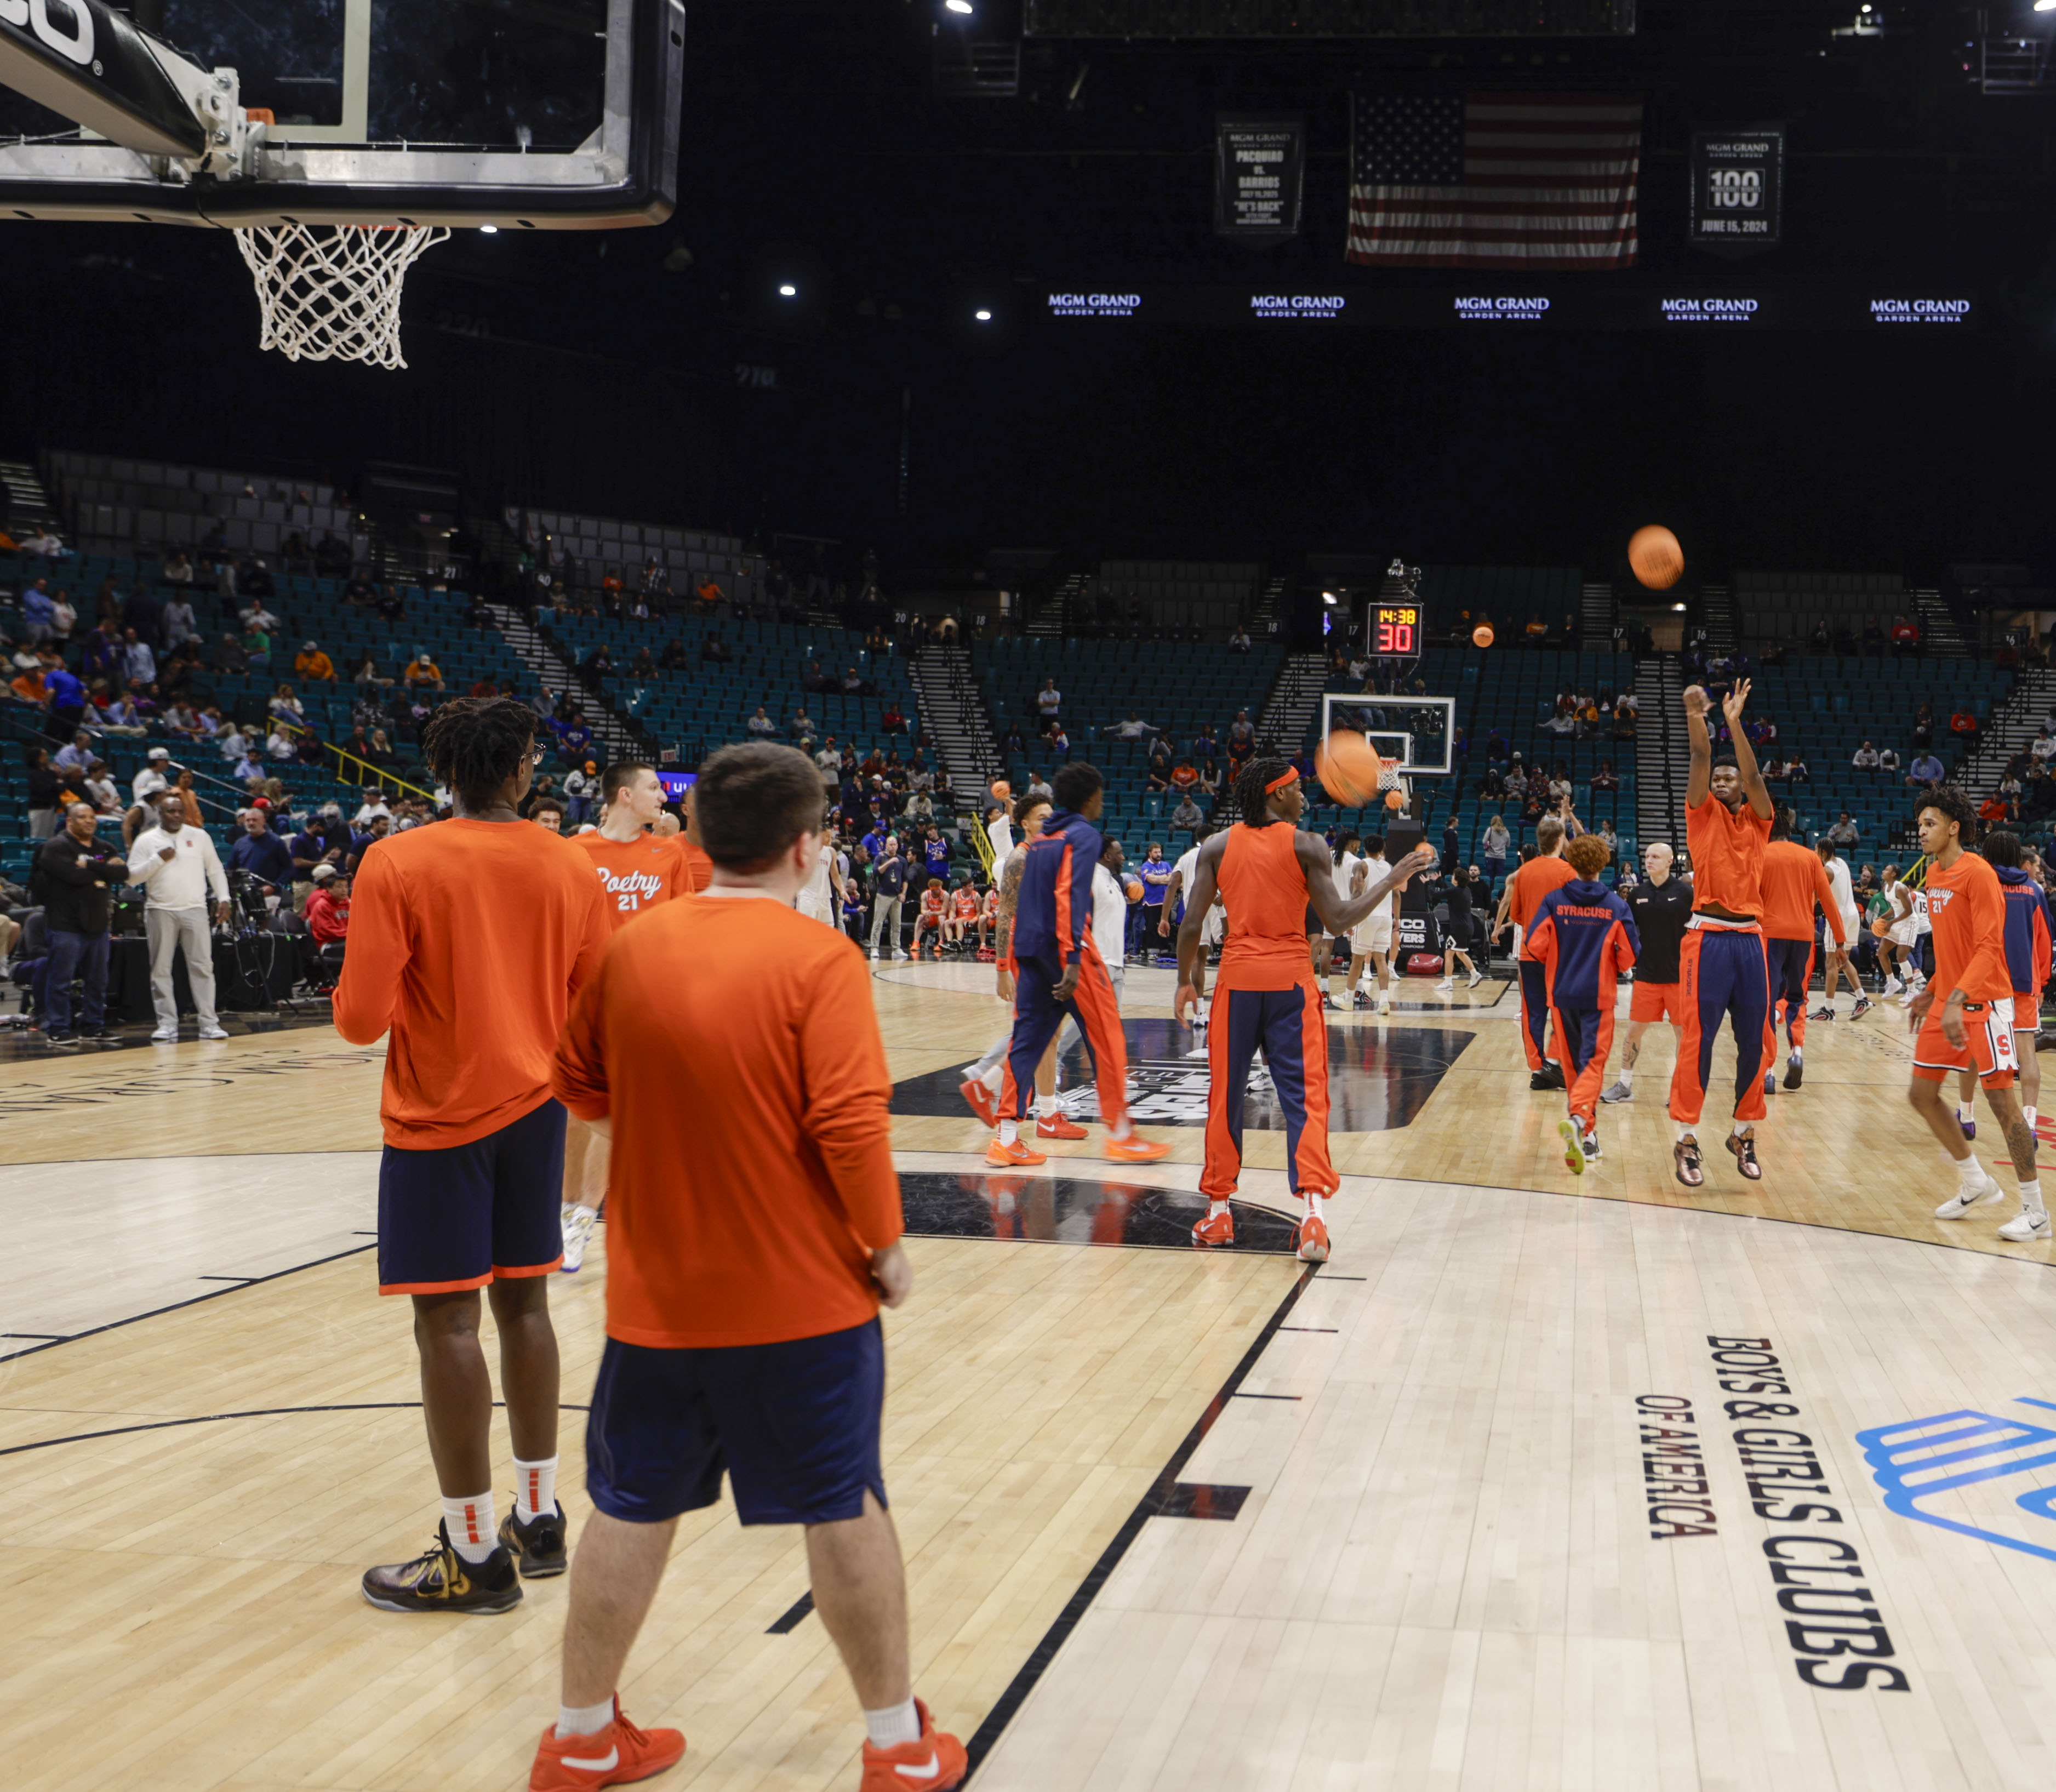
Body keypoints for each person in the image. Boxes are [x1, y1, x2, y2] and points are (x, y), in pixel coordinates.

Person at [539, 741, 966, 1792]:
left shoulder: (628, 952)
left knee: (631, 1503)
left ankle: (581, 1735)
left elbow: (579, 1090)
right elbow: (850, 1126)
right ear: (807, 845)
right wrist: (883, 1245)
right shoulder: (819, 961)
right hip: (799, 1298)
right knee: (841, 1503)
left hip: (655, 1297)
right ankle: (896, 1748)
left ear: (696, 839)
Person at [334, 695, 612, 1616]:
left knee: (448, 1326)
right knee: (526, 1306)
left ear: (442, 772)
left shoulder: (397, 861)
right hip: (538, 1111)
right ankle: (538, 1519)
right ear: (524, 769)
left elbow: (358, 1020)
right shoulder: (569, 865)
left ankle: (470, 1551)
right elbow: (593, 1005)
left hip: (437, 1117)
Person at [1175, 758, 1432, 1260]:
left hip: (1237, 982)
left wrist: (1187, 983)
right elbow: (1337, 921)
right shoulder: (1307, 844)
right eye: (1295, 790)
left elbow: (1191, 926)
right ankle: (1313, 1219)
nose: (1304, 798)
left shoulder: (1216, 846)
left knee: (1224, 1097)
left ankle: (1219, 1214)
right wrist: (1392, 879)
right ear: (1274, 795)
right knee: (1306, 1098)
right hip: (1292, 985)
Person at [992, 762, 1170, 1169]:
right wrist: (1073, 958)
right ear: (1091, 799)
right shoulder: (1082, 835)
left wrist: (1011, 960)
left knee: (1027, 1042)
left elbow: (1024, 903)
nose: (1102, 803)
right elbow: (1069, 894)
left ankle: (1005, 1139)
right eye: (1101, 796)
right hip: (1066, 949)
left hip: (1029, 950)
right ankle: (1122, 1136)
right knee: (1107, 1036)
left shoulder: (1041, 839)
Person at [559, 761, 695, 1274]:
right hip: (581, 1000)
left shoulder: (668, 854)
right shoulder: (575, 852)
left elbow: (683, 929)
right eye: (654, 788)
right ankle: (570, 1208)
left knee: (610, 1109)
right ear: (624, 795)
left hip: (643, 1001)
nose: (664, 796)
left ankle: (583, 1216)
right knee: (578, 1114)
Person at [1911, 790, 2046, 1241]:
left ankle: (2035, 1211)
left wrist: (1956, 998)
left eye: (1930, 823)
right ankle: (1975, 1182)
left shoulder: (1980, 874)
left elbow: (1990, 947)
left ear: (1954, 827)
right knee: (1922, 1094)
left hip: (1985, 1003)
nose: (1922, 830)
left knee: (2003, 1105)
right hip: (1948, 999)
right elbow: (1953, 947)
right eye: (1920, 823)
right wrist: (1931, 993)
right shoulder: (1932, 874)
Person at [1669, 681, 1775, 1187]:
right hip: (1707, 939)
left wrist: (1734, 722)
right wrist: (1698, 715)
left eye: (1729, 778)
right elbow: (1698, 754)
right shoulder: (1701, 815)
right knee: (1699, 1040)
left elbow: (1753, 772)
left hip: (1751, 939)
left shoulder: (1759, 822)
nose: (1722, 781)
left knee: (1757, 1042)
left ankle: (1742, 1132)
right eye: (1718, 778)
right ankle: (1687, 1139)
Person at [1526, 835, 1638, 1169]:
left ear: (1572, 863)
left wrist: (1561, 961)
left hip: (1561, 994)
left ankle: (1588, 1139)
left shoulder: (1554, 901)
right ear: (1604, 864)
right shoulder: (1617, 906)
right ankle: (1578, 1121)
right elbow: (1629, 957)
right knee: (1593, 1063)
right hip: (1598, 995)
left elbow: (1536, 944)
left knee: (1573, 1066)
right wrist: (1611, 965)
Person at [126, 787, 231, 1042]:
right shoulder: (146, 840)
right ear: (160, 814)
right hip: (160, 910)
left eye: (180, 811)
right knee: (161, 969)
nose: (176, 815)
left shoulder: (200, 836)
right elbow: (131, 879)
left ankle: (209, 1023)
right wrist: (158, 860)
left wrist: (224, 898)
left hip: (195, 908)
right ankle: (167, 1024)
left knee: (203, 967)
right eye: (170, 811)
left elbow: (215, 870)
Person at [1758, 806, 1849, 1092]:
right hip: (1803, 937)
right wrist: (1841, 942)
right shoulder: (1811, 858)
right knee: (1798, 997)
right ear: (1790, 833)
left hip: (1769, 936)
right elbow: (1828, 901)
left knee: (1767, 1002)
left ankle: (1769, 1071)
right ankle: (1796, 1052)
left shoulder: (1760, 855)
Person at [1601, 840, 1695, 1105]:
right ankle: (1624, 1085)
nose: (1649, 860)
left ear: (1670, 861)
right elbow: (1627, 933)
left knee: (1682, 1034)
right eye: (1648, 856)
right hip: (1647, 976)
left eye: (1656, 856)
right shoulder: (1636, 894)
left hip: (1678, 977)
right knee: (1633, 1032)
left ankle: (1679, 1090)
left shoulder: (1686, 893)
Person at [32, 802, 125, 1043]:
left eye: (92, 817)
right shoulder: (56, 847)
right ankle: (58, 1028)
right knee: (61, 980)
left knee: (97, 981)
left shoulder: (103, 847)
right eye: (82, 817)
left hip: (98, 925)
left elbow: (123, 873)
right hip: (66, 925)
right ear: (70, 821)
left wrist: (92, 867)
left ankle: (93, 1026)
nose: (88, 821)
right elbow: (72, 876)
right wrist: (104, 872)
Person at [1495, 814, 1578, 1087]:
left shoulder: (1524, 873)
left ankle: (1538, 1067)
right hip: (1561, 952)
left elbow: (1516, 914)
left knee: (1533, 1011)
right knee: (1564, 1009)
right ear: (1559, 841)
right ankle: (1555, 1063)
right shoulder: (1569, 872)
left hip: (1530, 950)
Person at [1986, 830, 2051, 1144]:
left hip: (1986, 981)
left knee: (1977, 1053)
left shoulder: (1982, 884)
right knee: (2027, 1054)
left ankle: (1967, 1115)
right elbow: (2044, 942)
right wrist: (2040, 984)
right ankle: (2029, 1122)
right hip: (2024, 982)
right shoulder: (2033, 890)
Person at [1347, 834, 1400, 1014]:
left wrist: (1349, 919)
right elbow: (1397, 894)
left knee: (1357, 960)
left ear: (1364, 848)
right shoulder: (1389, 867)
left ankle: (1347, 999)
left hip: (1366, 916)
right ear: (1382, 848)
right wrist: (1396, 918)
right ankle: (1384, 1002)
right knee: (1381, 960)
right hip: (1385, 917)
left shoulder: (1361, 865)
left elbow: (1356, 893)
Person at [1435, 862, 1485, 993]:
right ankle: (1475, 974)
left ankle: (1448, 982)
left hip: (1459, 929)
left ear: (1456, 880)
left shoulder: (1455, 891)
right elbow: (1449, 891)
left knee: (1448, 953)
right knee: (1460, 953)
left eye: (1453, 876)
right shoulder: (1466, 890)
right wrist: (1439, 881)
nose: (1451, 877)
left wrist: (1427, 883)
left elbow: (1437, 896)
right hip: (1469, 927)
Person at [229, 806, 294, 889]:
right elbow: (231, 869)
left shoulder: (276, 842)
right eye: (248, 820)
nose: (251, 823)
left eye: (254, 820)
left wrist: (274, 886)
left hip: (270, 895)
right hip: (245, 894)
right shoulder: (240, 843)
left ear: (264, 821)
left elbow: (288, 868)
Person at [869, 833, 909, 960]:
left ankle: (896, 948)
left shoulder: (902, 860)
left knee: (896, 923)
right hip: (883, 895)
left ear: (897, 846)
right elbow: (876, 872)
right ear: (886, 846)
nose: (892, 847)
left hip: (896, 895)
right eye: (890, 845)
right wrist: (889, 862)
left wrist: (903, 893)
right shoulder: (880, 858)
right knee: (878, 922)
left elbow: (906, 879)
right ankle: (874, 947)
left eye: (894, 844)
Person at [305, 863, 351, 943]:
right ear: (328, 886)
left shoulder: (346, 902)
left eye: (346, 887)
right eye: (340, 887)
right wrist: (353, 935)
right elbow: (328, 931)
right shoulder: (321, 903)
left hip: (345, 938)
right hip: (331, 942)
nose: (344, 890)